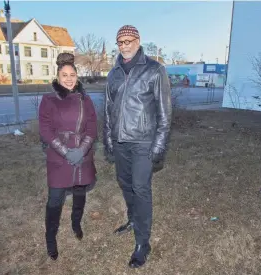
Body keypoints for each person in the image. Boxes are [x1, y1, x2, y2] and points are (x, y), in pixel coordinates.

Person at [104, 25, 172, 268]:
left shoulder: (155, 70)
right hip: (120, 141)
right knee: (125, 183)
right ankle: (133, 219)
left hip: (144, 141)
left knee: (141, 188)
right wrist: (109, 140)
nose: (124, 46)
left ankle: (143, 242)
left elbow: (165, 114)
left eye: (128, 41)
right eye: (120, 42)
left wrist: (159, 146)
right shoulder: (113, 74)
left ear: (138, 41)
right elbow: (108, 111)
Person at [39, 53, 97, 261]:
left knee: (80, 191)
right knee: (55, 198)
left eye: (72, 74)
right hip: (59, 154)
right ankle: (51, 238)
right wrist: (65, 151)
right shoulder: (48, 100)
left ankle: (76, 223)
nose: (69, 78)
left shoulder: (86, 99)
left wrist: (81, 150)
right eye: (65, 75)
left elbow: (92, 126)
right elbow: (45, 130)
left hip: (82, 153)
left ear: (77, 76)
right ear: (57, 76)